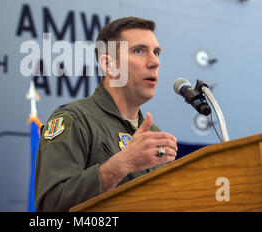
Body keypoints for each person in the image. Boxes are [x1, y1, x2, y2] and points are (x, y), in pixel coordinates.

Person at [34, 16, 178, 212]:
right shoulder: (73, 120)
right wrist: (123, 164)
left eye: (156, 52)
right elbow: (51, 207)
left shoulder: (153, 134)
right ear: (109, 65)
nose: (154, 62)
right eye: (139, 51)